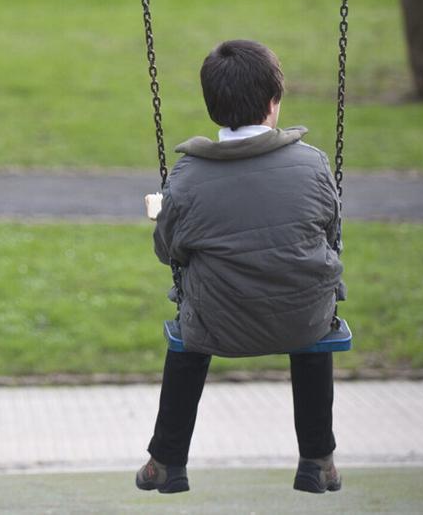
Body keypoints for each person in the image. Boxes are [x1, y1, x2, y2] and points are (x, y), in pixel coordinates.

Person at [135, 40, 345, 495]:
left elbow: (169, 251)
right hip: (302, 322)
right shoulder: (313, 165)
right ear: (274, 103)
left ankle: (166, 461)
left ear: (212, 107)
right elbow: (329, 233)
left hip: (218, 325)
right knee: (315, 315)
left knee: (190, 326)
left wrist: (164, 214)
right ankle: (318, 459)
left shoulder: (187, 179)